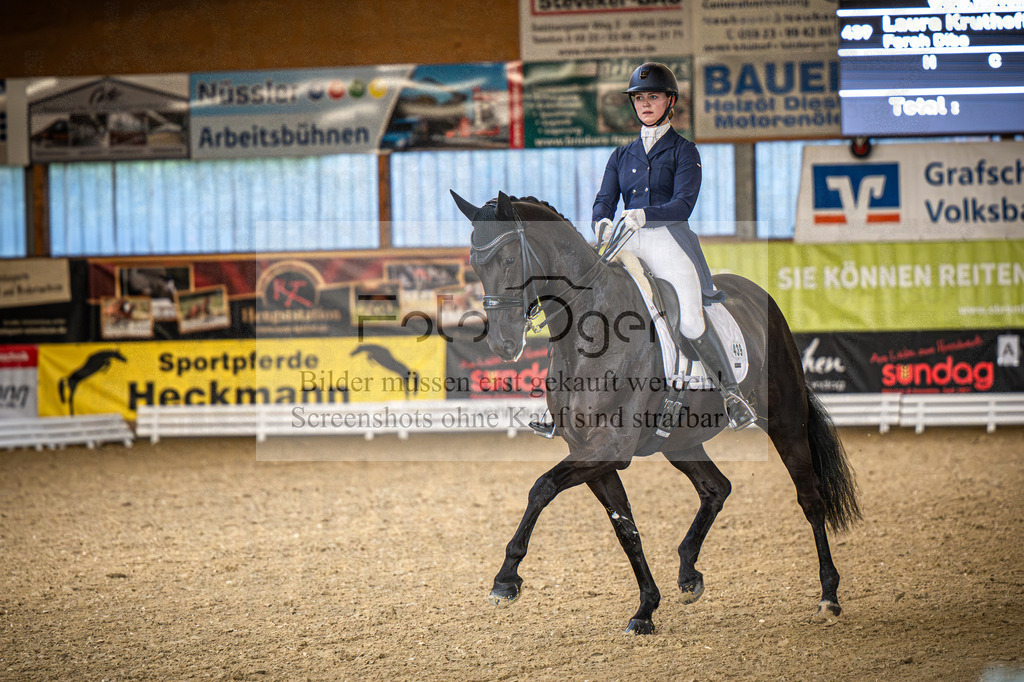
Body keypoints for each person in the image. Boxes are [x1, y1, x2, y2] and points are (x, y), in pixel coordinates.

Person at [592, 61, 756, 429]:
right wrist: (601, 220)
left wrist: (644, 215)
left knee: (692, 319)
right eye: (639, 98)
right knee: (592, 306)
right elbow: (604, 199)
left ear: (670, 101)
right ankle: (562, 403)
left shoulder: (685, 151)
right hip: (627, 241)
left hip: (668, 239)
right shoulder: (620, 155)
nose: (645, 104)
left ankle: (731, 393)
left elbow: (683, 204)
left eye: (653, 97)